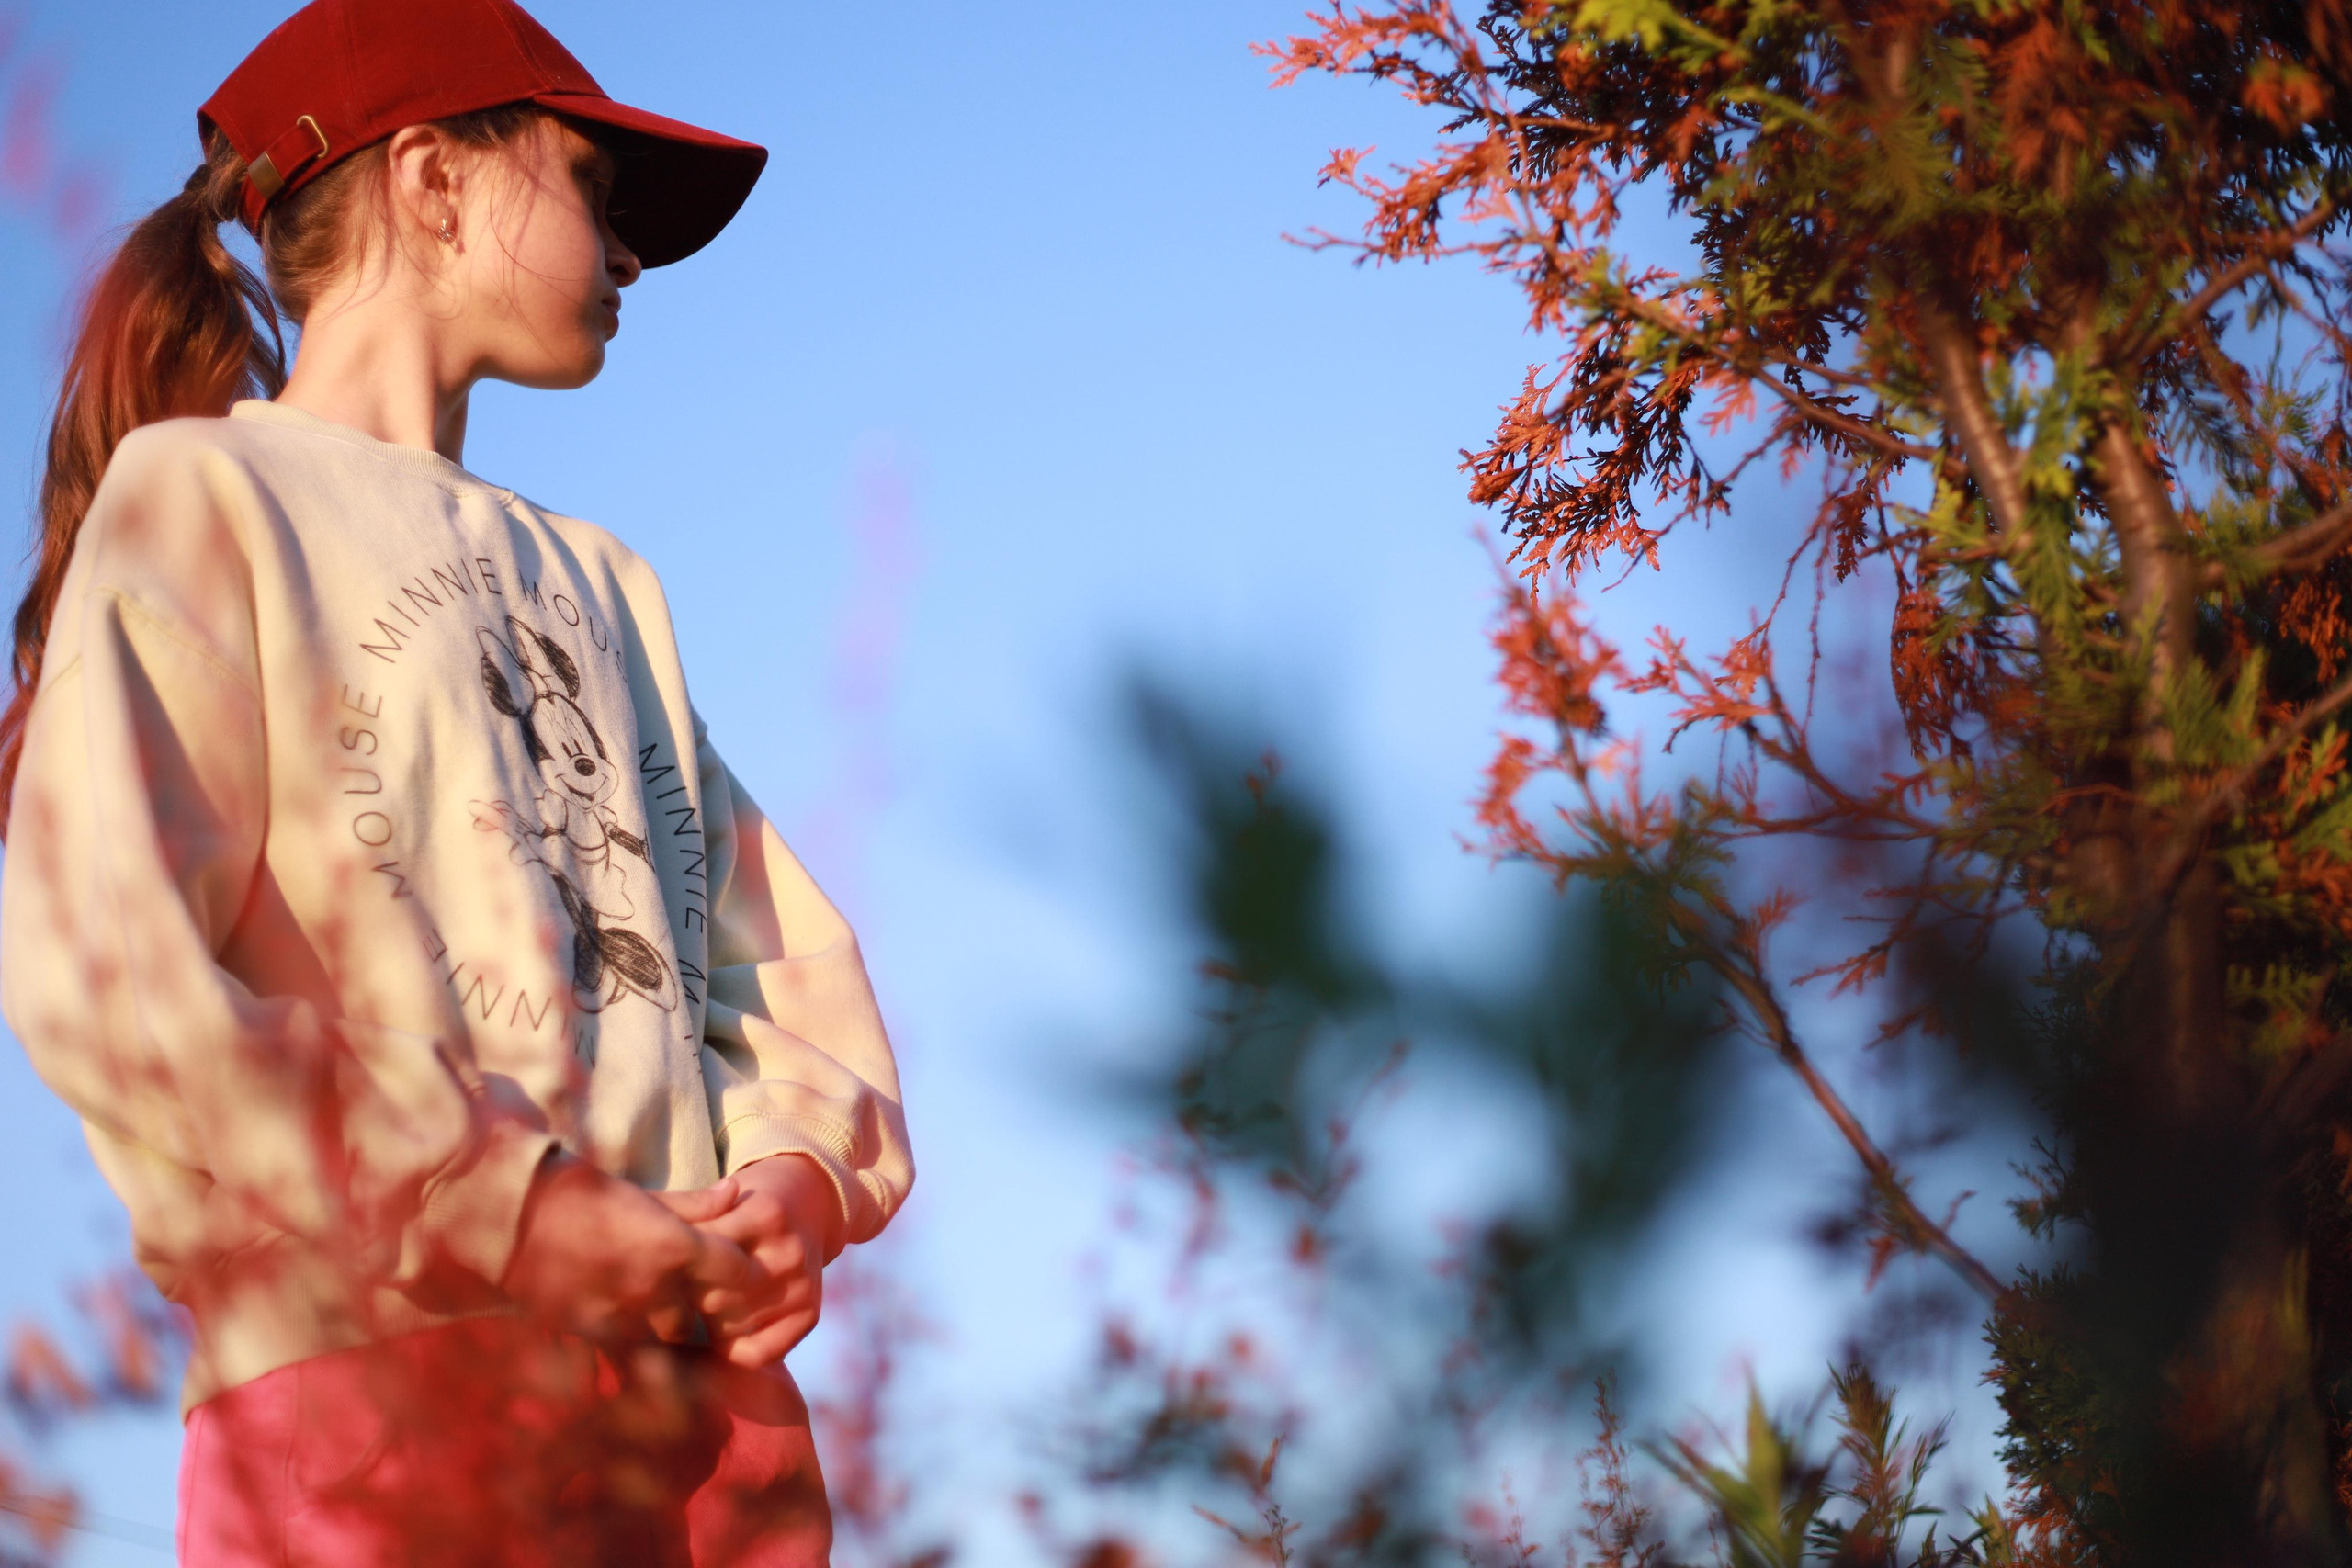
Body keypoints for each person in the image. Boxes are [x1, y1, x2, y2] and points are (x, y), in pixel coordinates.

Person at [0, 1, 913, 1562]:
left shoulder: (601, 579)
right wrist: (510, 1205)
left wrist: (791, 1179)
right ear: (431, 178)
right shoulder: (209, 495)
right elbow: (108, 968)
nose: (629, 254)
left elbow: (767, 965)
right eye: (594, 188)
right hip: (378, 1393)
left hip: (699, 1419)